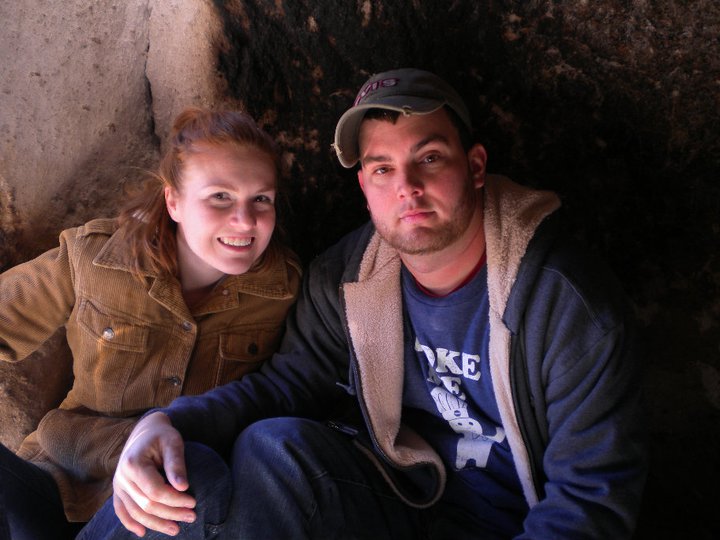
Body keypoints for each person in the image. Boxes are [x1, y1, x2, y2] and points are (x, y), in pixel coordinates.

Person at [82, 68, 647, 539]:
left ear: (475, 166)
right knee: (230, 457)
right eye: (382, 169)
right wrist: (164, 422)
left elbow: (590, 502)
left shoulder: (565, 302)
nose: (407, 187)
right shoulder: (348, 278)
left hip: (505, 524)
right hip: (398, 500)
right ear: (364, 186)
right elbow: (285, 387)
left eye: (429, 158)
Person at [0, 107, 301, 539]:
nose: (245, 220)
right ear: (173, 201)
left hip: (166, 505)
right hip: (60, 479)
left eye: (261, 199)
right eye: (220, 196)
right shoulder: (95, 260)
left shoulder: (285, 289)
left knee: (189, 479)